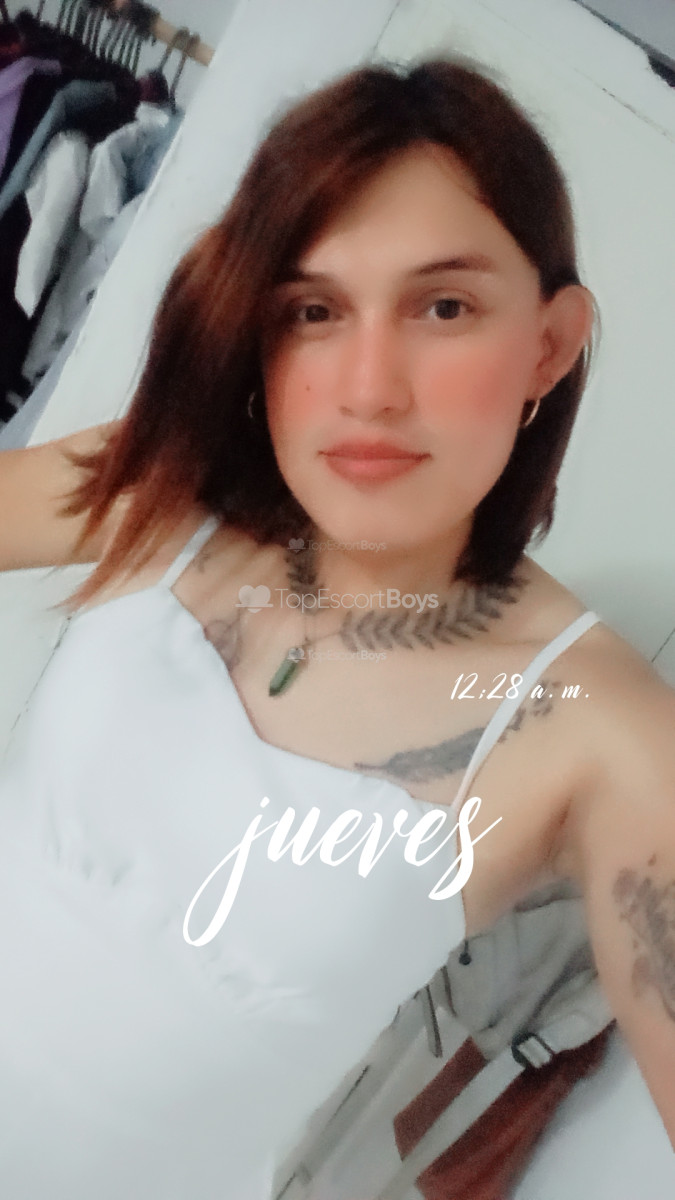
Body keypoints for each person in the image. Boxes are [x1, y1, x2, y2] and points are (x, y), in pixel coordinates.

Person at [0, 55, 673, 1197]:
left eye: (444, 307)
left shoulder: (599, 730)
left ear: (549, 346)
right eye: (313, 311)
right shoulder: (166, 488)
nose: (368, 389)